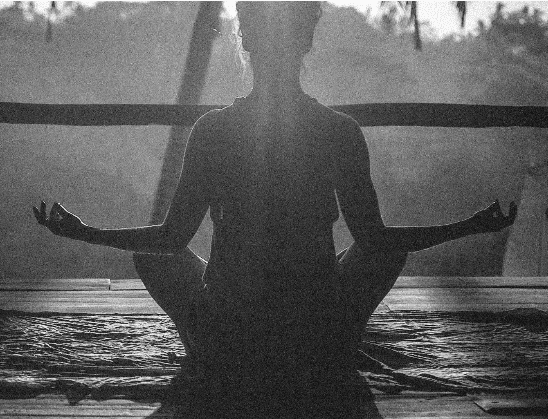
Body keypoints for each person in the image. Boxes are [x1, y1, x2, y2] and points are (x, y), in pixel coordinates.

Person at [34, 0, 516, 399]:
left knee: (154, 257)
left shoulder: (214, 132)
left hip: (230, 326)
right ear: (307, 39)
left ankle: (213, 349)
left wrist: (86, 232)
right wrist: (468, 226)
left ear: (245, 38)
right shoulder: (338, 131)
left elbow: (170, 238)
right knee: (382, 252)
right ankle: (331, 343)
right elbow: (374, 239)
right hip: (314, 326)